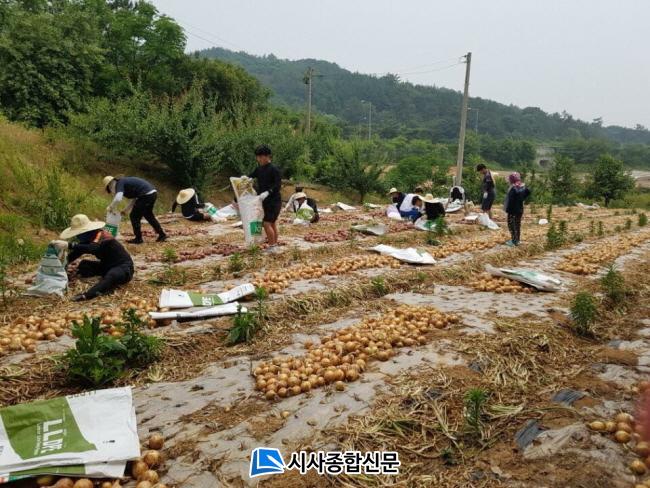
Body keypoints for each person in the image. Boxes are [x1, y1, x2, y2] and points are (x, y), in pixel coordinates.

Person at [50, 214, 134, 301]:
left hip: (123, 268)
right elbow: (76, 253)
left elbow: (93, 248)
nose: (77, 236)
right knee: (84, 265)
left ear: (87, 231)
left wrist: (69, 245)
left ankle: (87, 295)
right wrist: (59, 265)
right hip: (106, 266)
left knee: (112, 275)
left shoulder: (102, 236)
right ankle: (105, 284)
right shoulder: (89, 238)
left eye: (79, 233)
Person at [103, 176, 166, 244]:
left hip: (146, 195)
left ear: (110, 185)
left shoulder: (119, 183)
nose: (111, 191)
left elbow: (118, 198)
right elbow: (135, 199)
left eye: (109, 189)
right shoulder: (124, 183)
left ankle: (138, 239)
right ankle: (162, 235)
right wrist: (126, 210)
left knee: (134, 216)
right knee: (148, 215)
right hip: (151, 193)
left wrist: (111, 207)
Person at [249, 144, 282, 247]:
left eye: (260, 156)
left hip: (274, 201)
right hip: (264, 201)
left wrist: (268, 192)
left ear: (267, 156)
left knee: (266, 223)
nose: (258, 159)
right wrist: (245, 179)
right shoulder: (259, 169)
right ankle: (274, 244)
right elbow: (251, 176)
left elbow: (277, 185)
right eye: (257, 157)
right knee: (272, 223)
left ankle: (272, 246)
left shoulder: (274, 169)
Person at [504, 172, 531, 246]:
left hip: (513, 210)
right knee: (517, 225)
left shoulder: (513, 188)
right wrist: (522, 199)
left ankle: (514, 241)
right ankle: (517, 240)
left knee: (512, 225)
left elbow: (511, 200)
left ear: (512, 180)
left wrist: (507, 209)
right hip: (519, 209)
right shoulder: (522, 186)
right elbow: (528, 191)